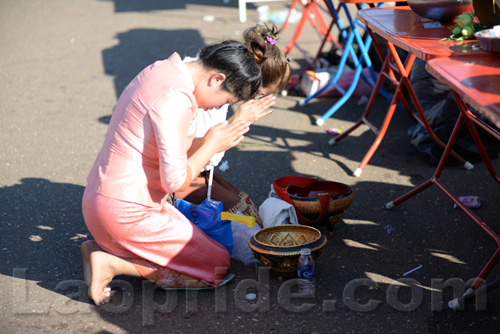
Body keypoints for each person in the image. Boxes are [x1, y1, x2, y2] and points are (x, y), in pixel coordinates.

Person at [81, 39, 269, 305]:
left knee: (206, 245)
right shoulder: (176, 99)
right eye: (224, 101)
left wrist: (216, 137)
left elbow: (171, 147)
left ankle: (101, 247)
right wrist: (213, 142)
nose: (217, 108)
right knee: (217, 264)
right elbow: (175, 180)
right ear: (216, 79)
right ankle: (113, 263)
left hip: (100, 202)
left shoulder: (161, 70)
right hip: (127, 213)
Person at [175, 24, 291, 226]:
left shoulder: (204, 75)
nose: (238, 99)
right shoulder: (207, 92)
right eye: (258, 94)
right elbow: (198, 158)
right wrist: (236, 123)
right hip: (174, 173)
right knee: (245, 215)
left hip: (183, 168)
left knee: (247, 208)